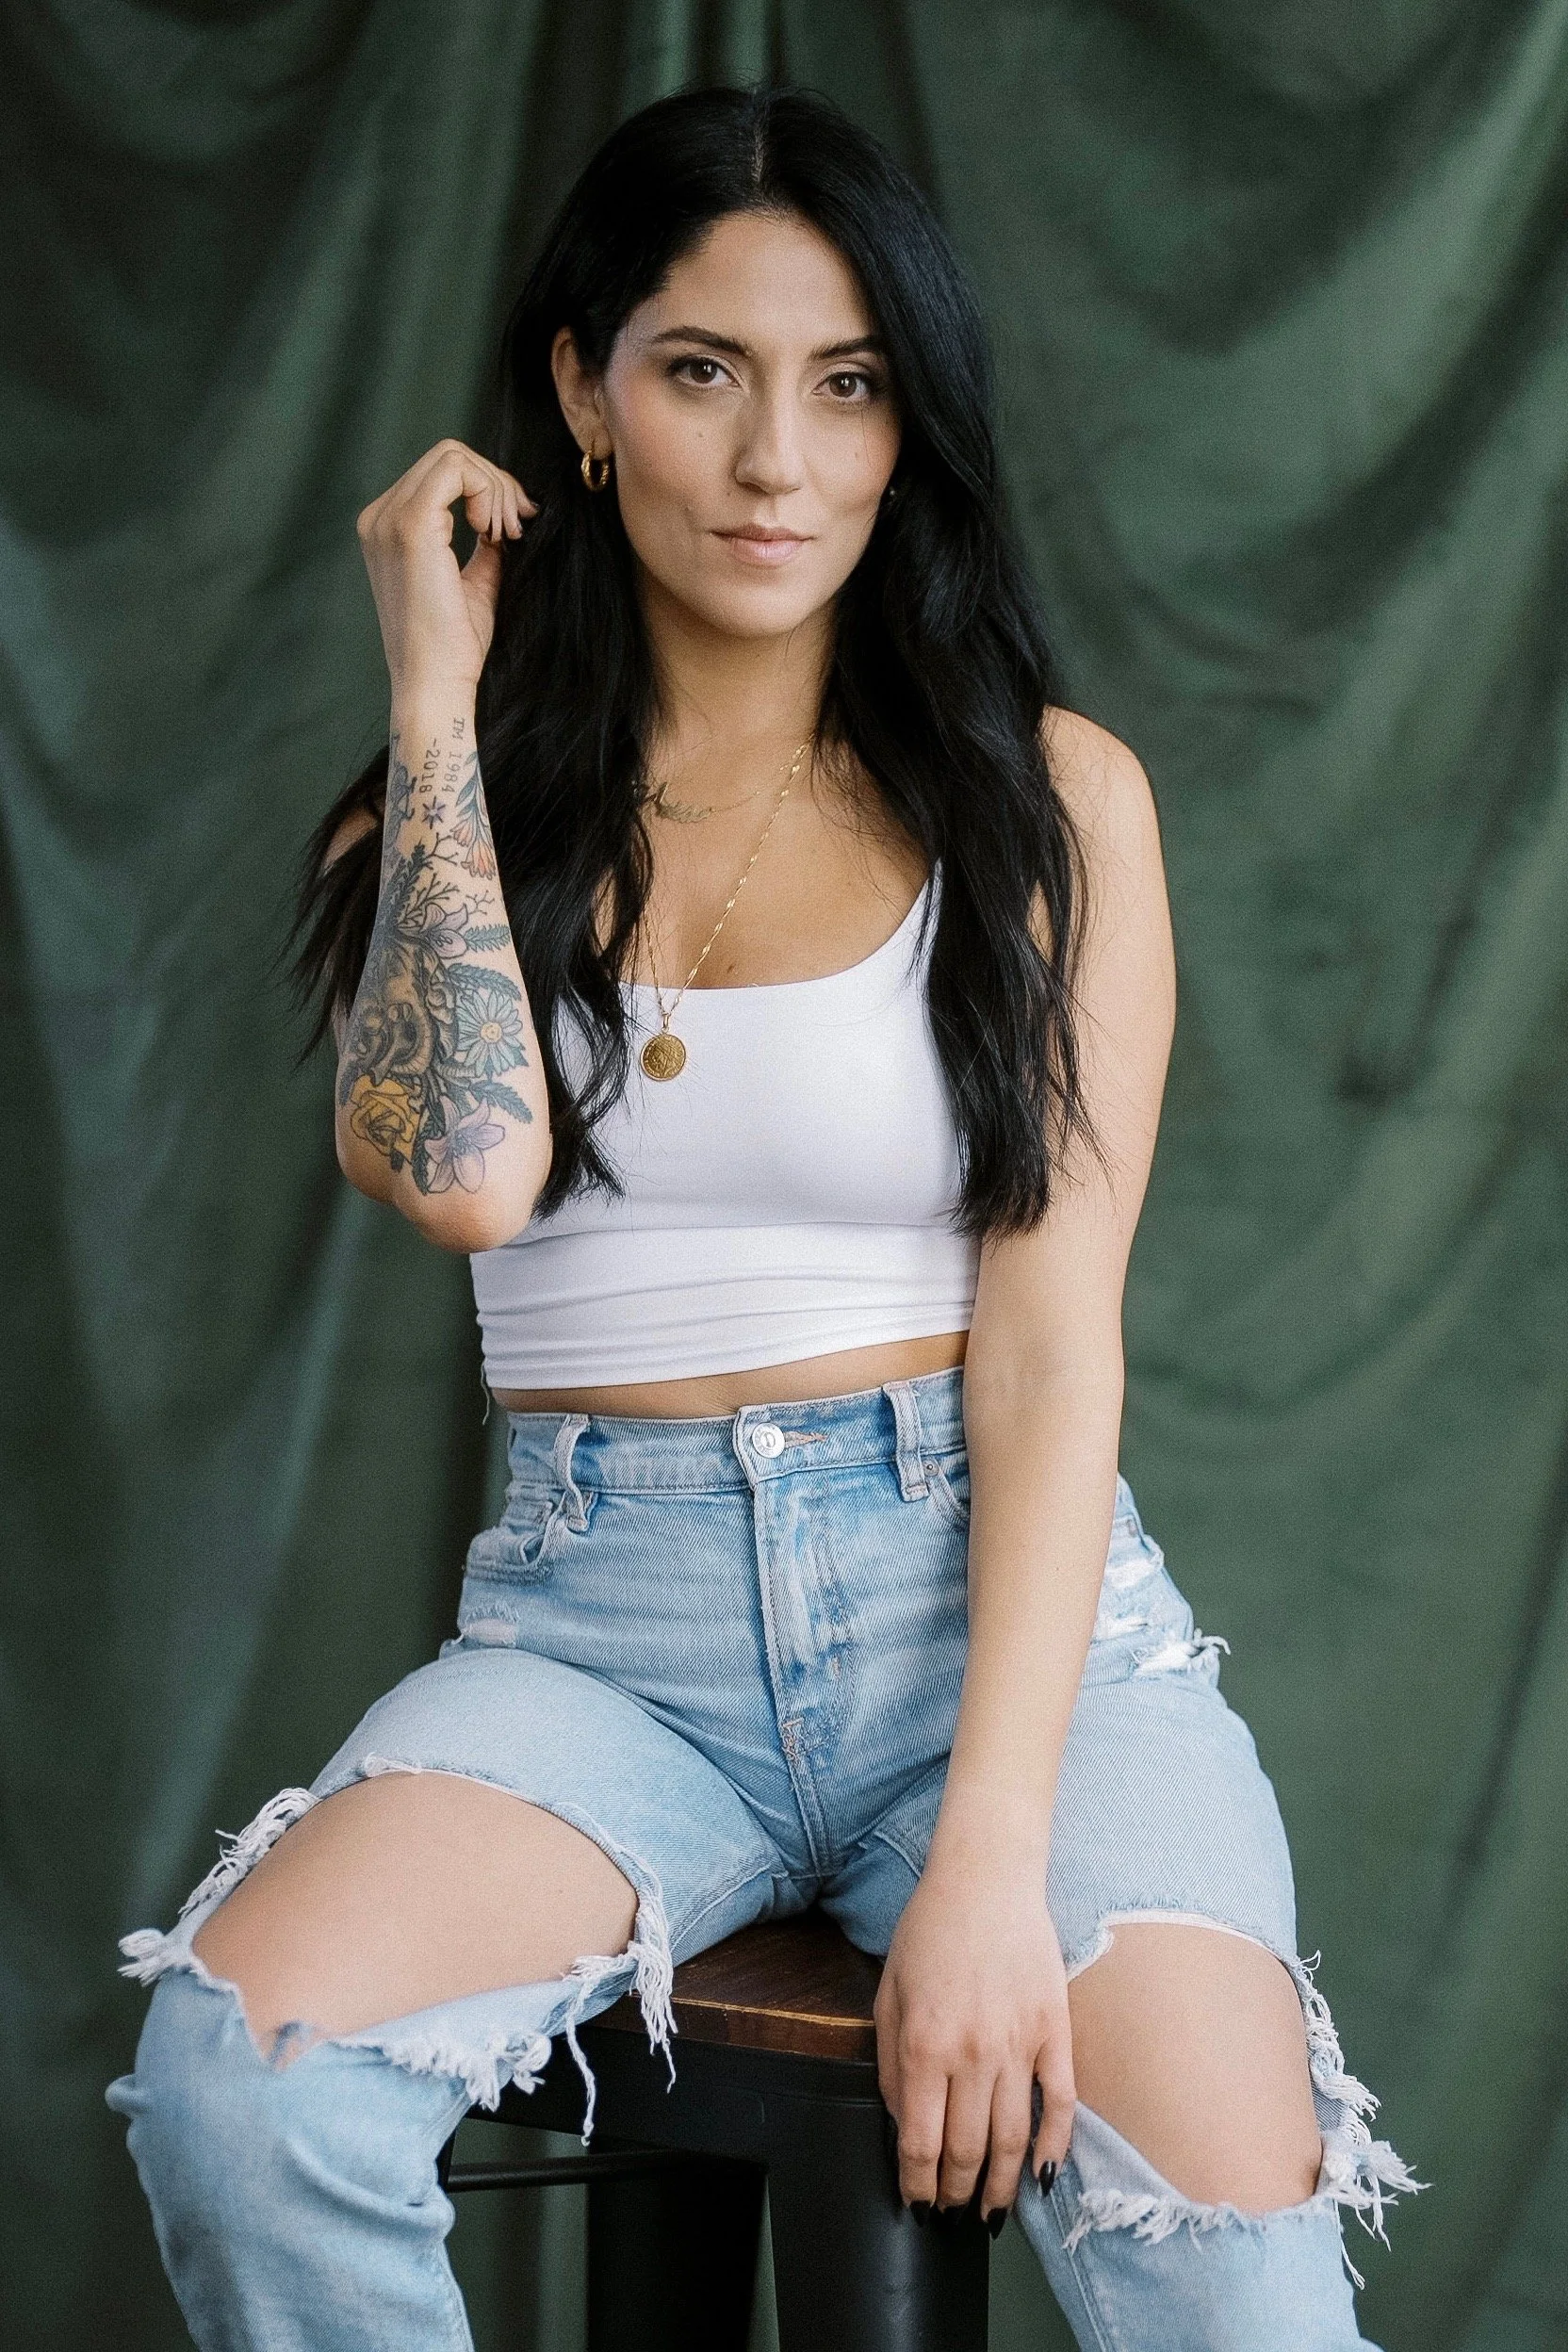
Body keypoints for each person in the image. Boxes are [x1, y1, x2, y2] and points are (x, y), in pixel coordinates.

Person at [107, 83, 1416, 2352]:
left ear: (910, 427)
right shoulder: (443, 823)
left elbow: (1049, 1342)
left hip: (1003, 1631)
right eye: (701, 370)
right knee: (239, 2086)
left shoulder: (1047, 801)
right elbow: (463, 1178)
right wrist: (436, 696)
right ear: (581, 393)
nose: (776, 463)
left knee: (1241, 2304)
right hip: (601, 1651)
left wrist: (992, 1853)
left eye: (849, 387)